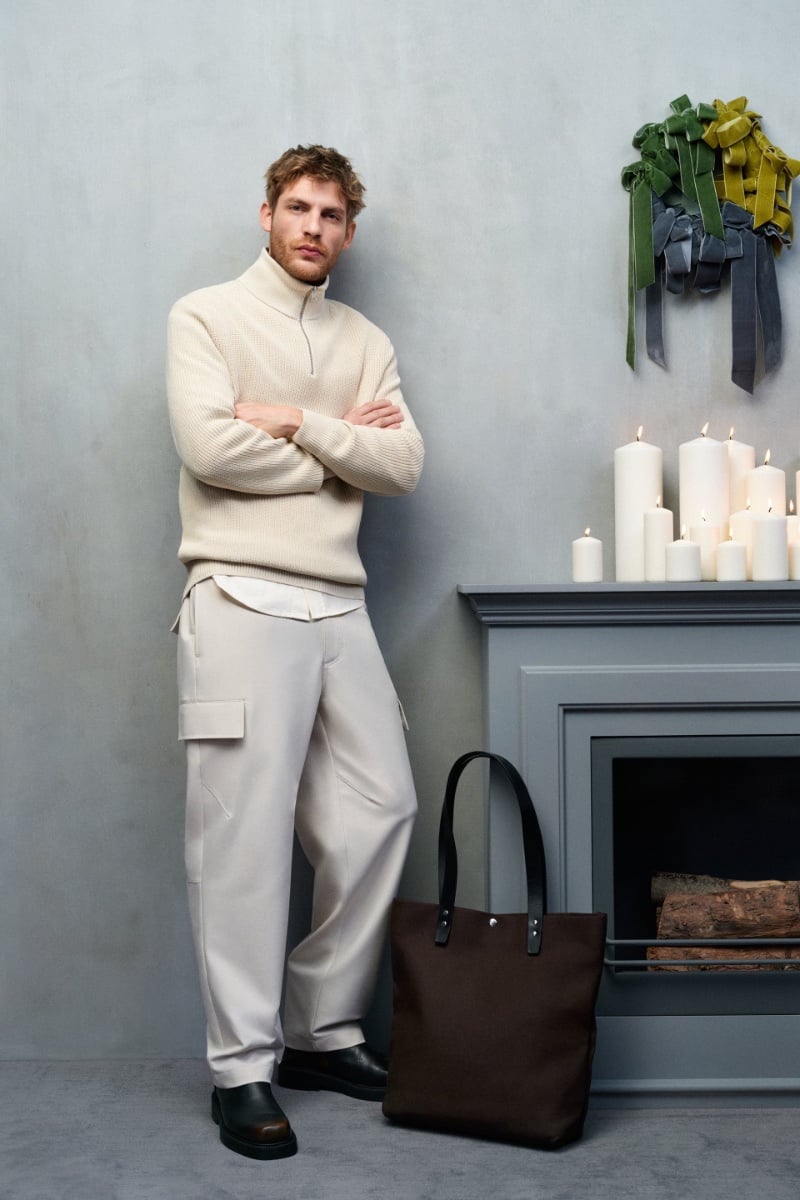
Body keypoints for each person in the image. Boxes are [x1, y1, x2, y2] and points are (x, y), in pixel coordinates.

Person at [166, 145, 423, 1160]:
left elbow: (401, 462)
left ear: (347, 233)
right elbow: (208, 448)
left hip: (336, 605)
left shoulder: (365, 339)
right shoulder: (206, 317)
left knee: (380, 807)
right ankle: (240, 1068)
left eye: (330, 214)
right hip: (235, 595)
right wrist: (335, 452)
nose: (313, 226)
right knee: (243, 836)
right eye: (297, 208)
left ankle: (320, 1029)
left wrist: (291, 420)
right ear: (266, 214)